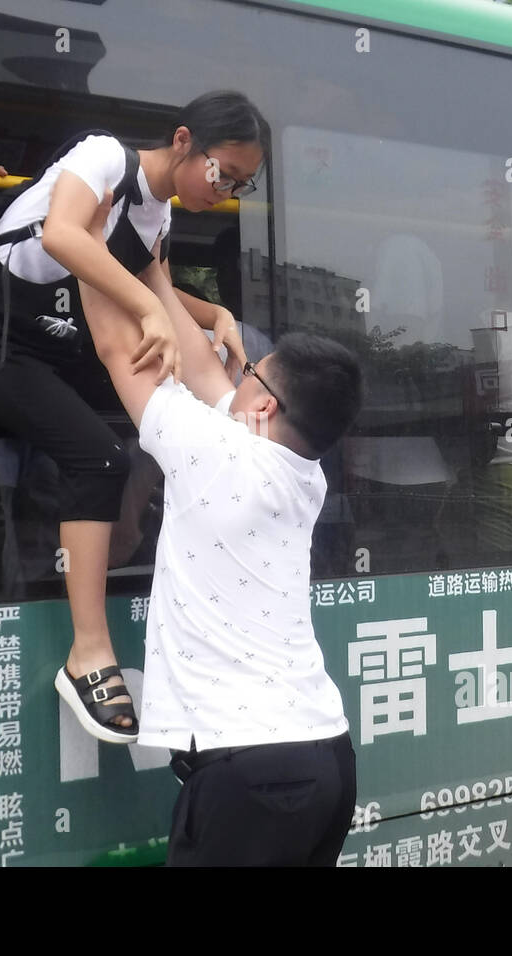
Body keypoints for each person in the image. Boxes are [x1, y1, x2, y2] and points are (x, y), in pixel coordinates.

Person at [71, 184, 363, 864]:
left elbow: (119, 347)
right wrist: (150, 254)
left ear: (261, 405)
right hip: (325, 759)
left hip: (252, 776)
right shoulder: (301, 473)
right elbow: (204, 369)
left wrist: (83, 216)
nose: (234, 364)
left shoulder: (215, 452)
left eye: (251, 370)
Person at [0, 91, 268, 745]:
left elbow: (171, 325)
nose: (224, 194)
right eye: (224, 173)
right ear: (186, 140)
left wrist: (234, 415)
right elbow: (62, 234)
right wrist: (153, 307)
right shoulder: (104, 157)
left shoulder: (156, 218)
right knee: (101, 458)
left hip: (62, 356)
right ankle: (87, 655)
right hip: (6, 352)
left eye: (240, 186)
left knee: (149, 456)